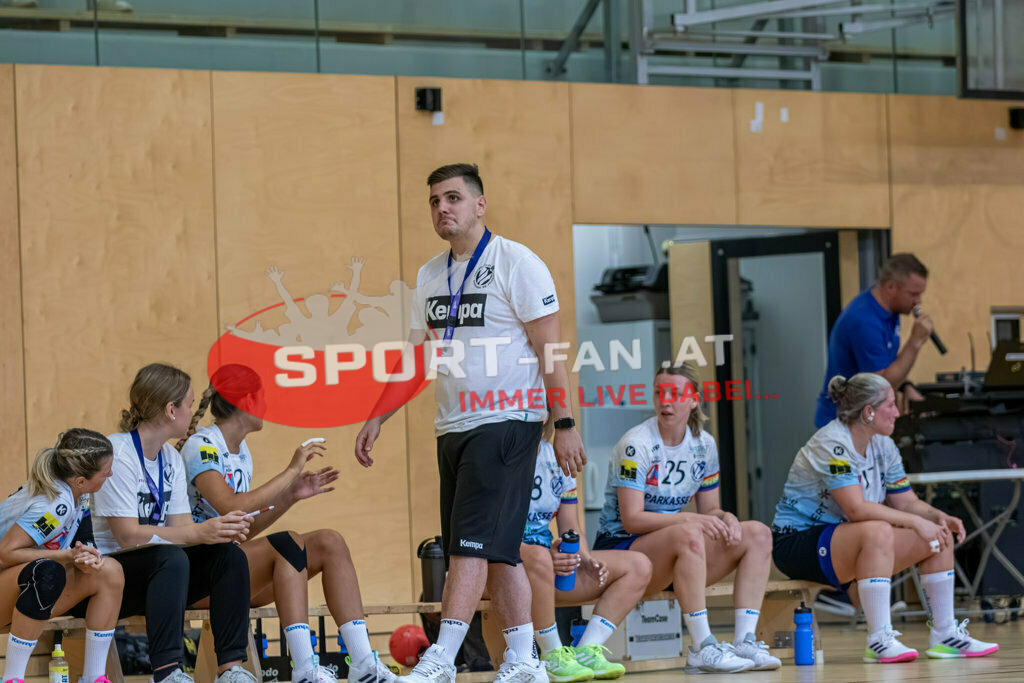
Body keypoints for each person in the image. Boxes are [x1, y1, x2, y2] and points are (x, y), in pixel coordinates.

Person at [354, 163, 585, 683]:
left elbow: (550, 347)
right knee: (498, 553)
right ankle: (524, 660)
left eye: (454, 198)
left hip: (507, 422)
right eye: (435, 201)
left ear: (480, 204)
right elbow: (417, 359)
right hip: (452, 427)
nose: (443, 208)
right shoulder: (430, 274)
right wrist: (378, 416)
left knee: (467, 547)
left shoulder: (517, 262)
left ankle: (442, 659)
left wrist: (563, 420)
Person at [179, 363, 395, 683]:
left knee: (329, 542)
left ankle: (364, 662)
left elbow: (244, 528)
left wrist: (290, 495)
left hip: (230, 569)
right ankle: (305, 667)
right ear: (247, 401)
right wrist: (290, 472)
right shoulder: (203, 445)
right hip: (196, 573)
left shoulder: (241, 453)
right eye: (262, 395)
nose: (266, 403)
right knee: (289, 541)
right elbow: (229, 505)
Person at [774, 372, 999, 662]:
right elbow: (856, 509)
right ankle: (879, 639)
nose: (898, 411)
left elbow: (906, 501)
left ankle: (945, 635)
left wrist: (936, 516)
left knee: (936, 535)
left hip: (844, 541)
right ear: (869, 412)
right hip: (797, 543)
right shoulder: (833, 445)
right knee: (878, 529)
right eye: (890, 405)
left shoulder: (884, 444)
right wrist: (915, 521)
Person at [593, 363, 779, 674]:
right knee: (688, 533)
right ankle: (702, 646)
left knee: (758, 533)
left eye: (675, 394)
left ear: (694, 399)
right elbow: (631, 520)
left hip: (675, 547)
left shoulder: (704, 444)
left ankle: (745, 640)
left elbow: (709, 510)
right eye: (659, 393)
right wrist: (689, 522)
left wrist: (726, 517)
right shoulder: (636, 444)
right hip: (623, 547)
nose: (666, 401)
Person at [92, 363, 257, 683]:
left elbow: (181, 529)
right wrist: (198, 531)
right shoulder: (119, 451)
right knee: (170, 557)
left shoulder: (169, 458)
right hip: (110, 576)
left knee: (228, 555)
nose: (194, 411)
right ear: (171, 410)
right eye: (190, 403)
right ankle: (168, 672)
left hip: (159, 573)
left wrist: (218, 530)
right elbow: (126, 536)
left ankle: (231, 669)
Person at [520, 417, 650, 682]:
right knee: (538, 556)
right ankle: (552, 654)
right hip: (506, 567)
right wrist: (545, 556)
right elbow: (490, 533)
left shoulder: (557, 455)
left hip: (545, 564)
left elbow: (571, 526)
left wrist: (585, 557)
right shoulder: (499, 454)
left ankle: (586, 651)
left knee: (639, 565)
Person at [0, 429, 123, 683]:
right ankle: (12, 678)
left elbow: (83, 545)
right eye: (106, 471)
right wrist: (67, 556)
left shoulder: (81, 495)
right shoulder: (55, 504)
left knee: (109, 571)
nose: (110, 474)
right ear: (80, 480)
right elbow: (6, 553)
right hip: (11, 580)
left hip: (25, 586)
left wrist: (85, 559)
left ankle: (94, 676)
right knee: (47, 570)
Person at [814, 253, 934, 428]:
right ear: (891, 287)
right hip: (841, 428)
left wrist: (906, 386)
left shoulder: (890, 312)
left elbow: (887, 364)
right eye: (913, 294)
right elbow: (881, 387)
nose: (918, 302)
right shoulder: (865, 321)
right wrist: (914, 343)